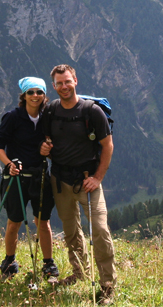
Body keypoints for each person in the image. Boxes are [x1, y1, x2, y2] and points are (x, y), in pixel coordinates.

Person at [40, 64, 116, 304]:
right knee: (71, 231)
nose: (64, 87)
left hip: (88, 181)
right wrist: (45, 149)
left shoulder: (92, 112)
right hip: (60, 181)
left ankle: (107, 284)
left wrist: (98, 178)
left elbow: (107, 146)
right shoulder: (51, 111)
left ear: (75, 81)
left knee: (100, 231)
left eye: (67, 81)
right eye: (59, 83)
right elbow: (46, 141)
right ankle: (79, 272)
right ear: (54, 87)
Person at [0, 76, 59, 282]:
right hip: (16, 177)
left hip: (39, 176)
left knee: (43, 222)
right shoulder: (12, 117)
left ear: (44, 95)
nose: (35, 96)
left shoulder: (48, 117)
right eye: (30, 92)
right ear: (23, 95)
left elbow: (55, 143)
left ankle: (48, 264)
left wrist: (48, 149)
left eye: (39, 92)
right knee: (14, 221)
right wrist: (9, 165)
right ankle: (10, 261)